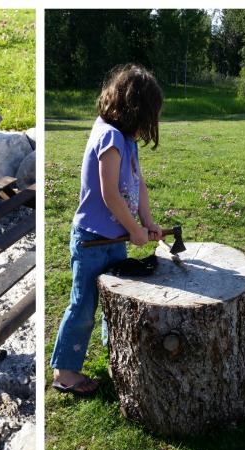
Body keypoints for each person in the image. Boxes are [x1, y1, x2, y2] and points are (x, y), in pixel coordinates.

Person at [50, 64, 165, 397]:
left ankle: (117, 356)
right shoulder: (109, 136)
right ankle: (65, 374)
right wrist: (134, 229)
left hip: (115, 241)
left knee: (114, 302)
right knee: (84, 306)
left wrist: (147, 222)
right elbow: (109, 193)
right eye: (148, 118)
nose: (148, 128)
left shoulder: (127, 140)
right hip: (92, 241)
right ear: (135, 110)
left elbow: (137, 183)